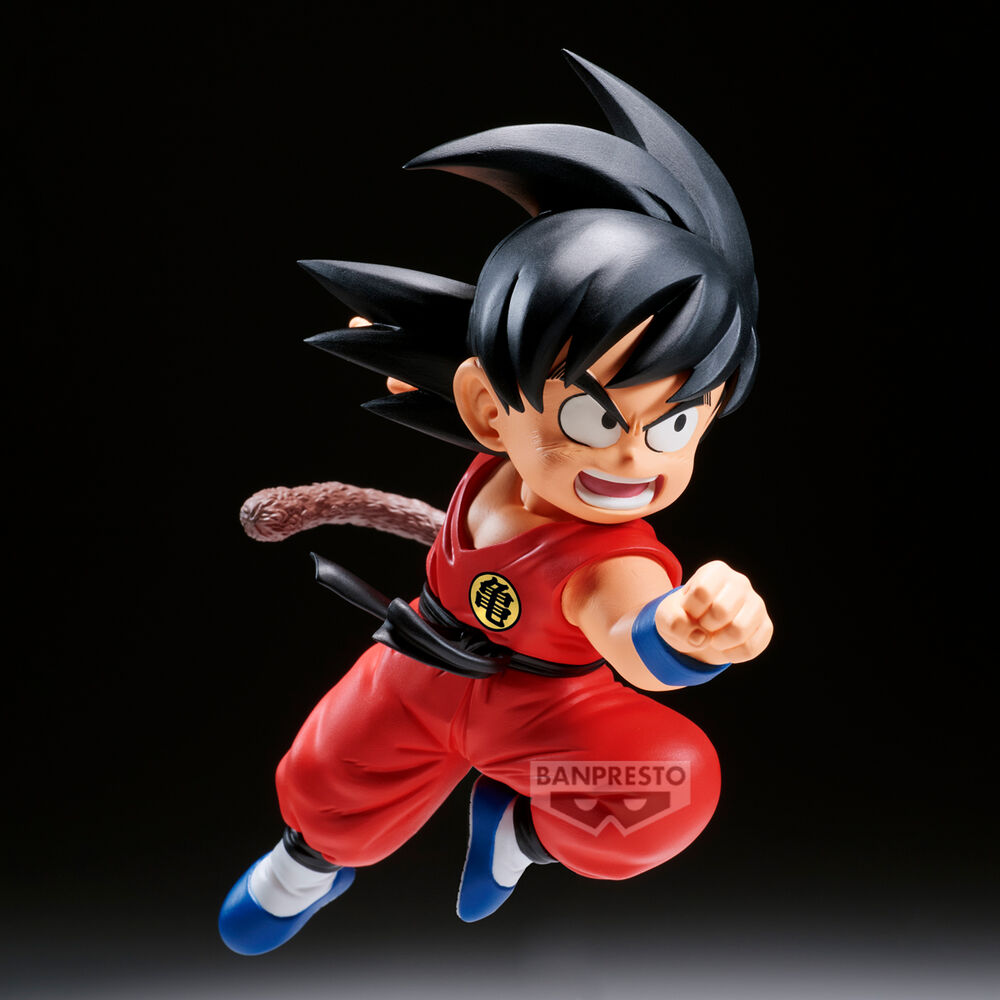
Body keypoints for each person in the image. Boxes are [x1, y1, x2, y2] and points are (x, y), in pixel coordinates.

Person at [219, 50, 772, 956]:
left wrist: (685, 635)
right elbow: (484, 414)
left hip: (545, 720)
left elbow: (632, 633)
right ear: (487, 407)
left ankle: (521, 830)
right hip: (416, 673)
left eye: (676, 424)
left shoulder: (612, 557)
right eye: (594, 416)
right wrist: (415, 364)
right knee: (329, 777)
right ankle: (305, 866)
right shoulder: (503, 450)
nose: (635, 455)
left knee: (669, 783)